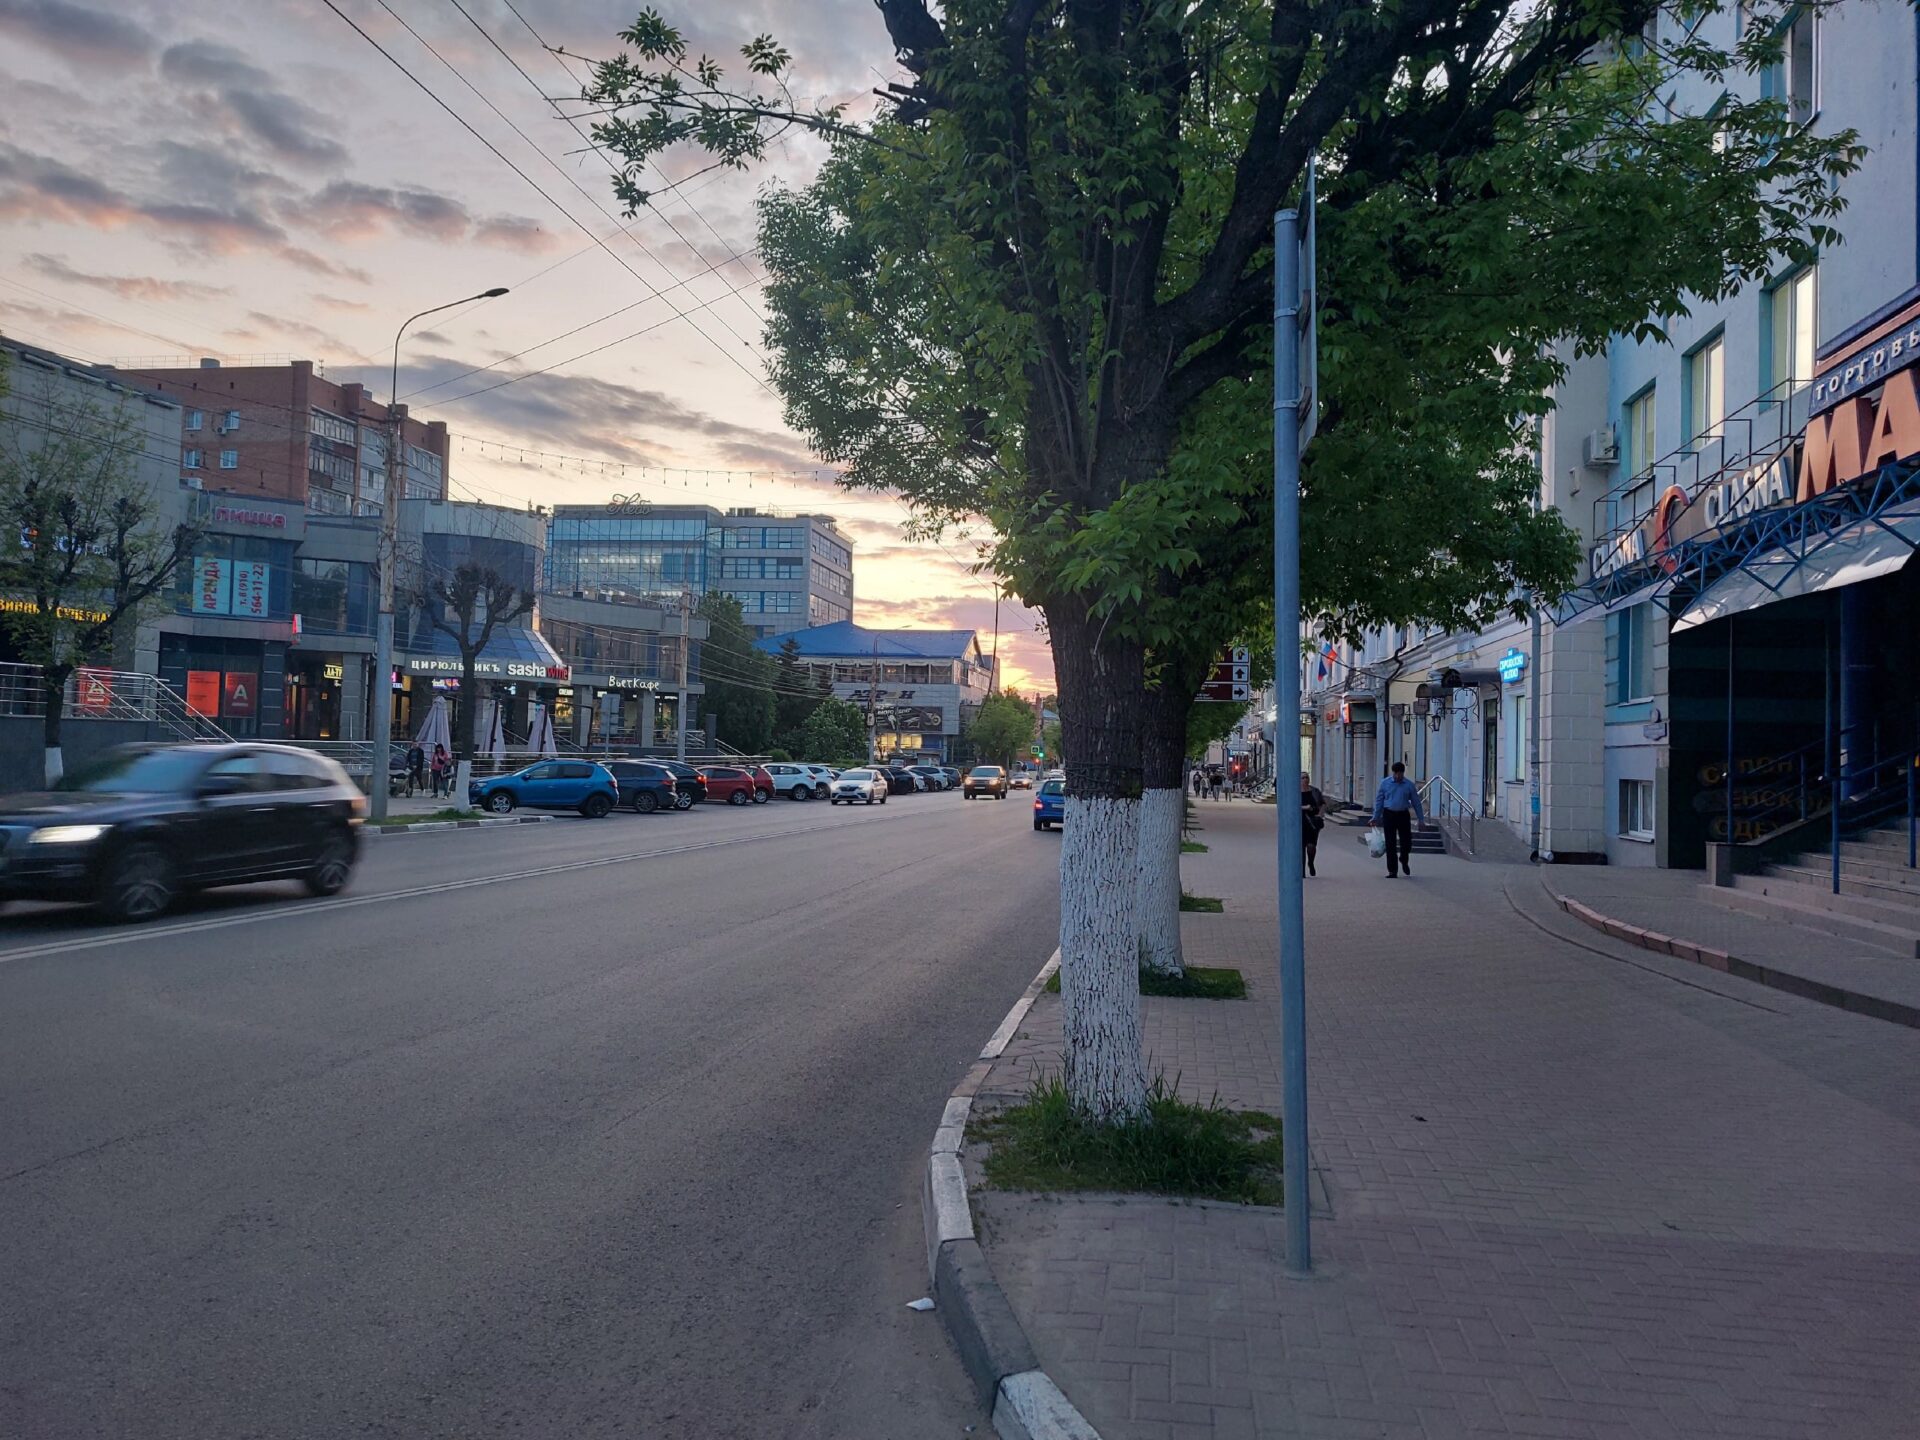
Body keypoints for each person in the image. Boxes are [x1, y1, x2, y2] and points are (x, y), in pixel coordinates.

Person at [1371, 761, 1425, 878]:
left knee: (1406, 842)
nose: (1397, 776)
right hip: (1389, 814)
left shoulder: (1409, 785)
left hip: (1403, 815)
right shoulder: (1385, 783)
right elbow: (1379, 801)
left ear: (1403, 773)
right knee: (1390, 843)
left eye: (1399, 774)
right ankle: (1392, 871)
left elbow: (1416, 803)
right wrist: (1375, 817)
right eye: (1395, 774)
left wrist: (1421, 820)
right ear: (1393, 773)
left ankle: (1404, 859)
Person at [1299, 771, 1325, 877]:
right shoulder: (1295, 792)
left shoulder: (1315, 791)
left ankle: (1311, 862)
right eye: (1303, 778)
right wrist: (1304, 807)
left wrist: (1320, 815)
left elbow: (1322, 804)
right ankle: (1301, 871)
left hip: (1313, 822)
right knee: (1300, 847)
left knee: (1311, 846)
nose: (1305, 779)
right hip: (1299, 822)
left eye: (1307, 777)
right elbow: (1290, 805)